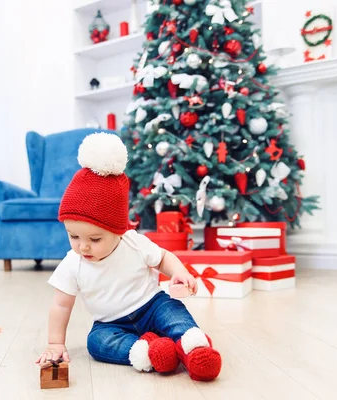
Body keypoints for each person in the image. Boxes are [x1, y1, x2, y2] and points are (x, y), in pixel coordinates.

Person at [35, 132, 222, 381]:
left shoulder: (133, 242)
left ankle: (193, 346)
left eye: (94, 239)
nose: (83, 247)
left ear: (118, 231)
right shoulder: (73, 263)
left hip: (151, 306)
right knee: (96, 343)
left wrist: (179, 272)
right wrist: (55, 343)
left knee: (173, 312)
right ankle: (146, 351)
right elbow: (60, 304)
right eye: (73, 236)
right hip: (111, 323)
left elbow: (163, 257)